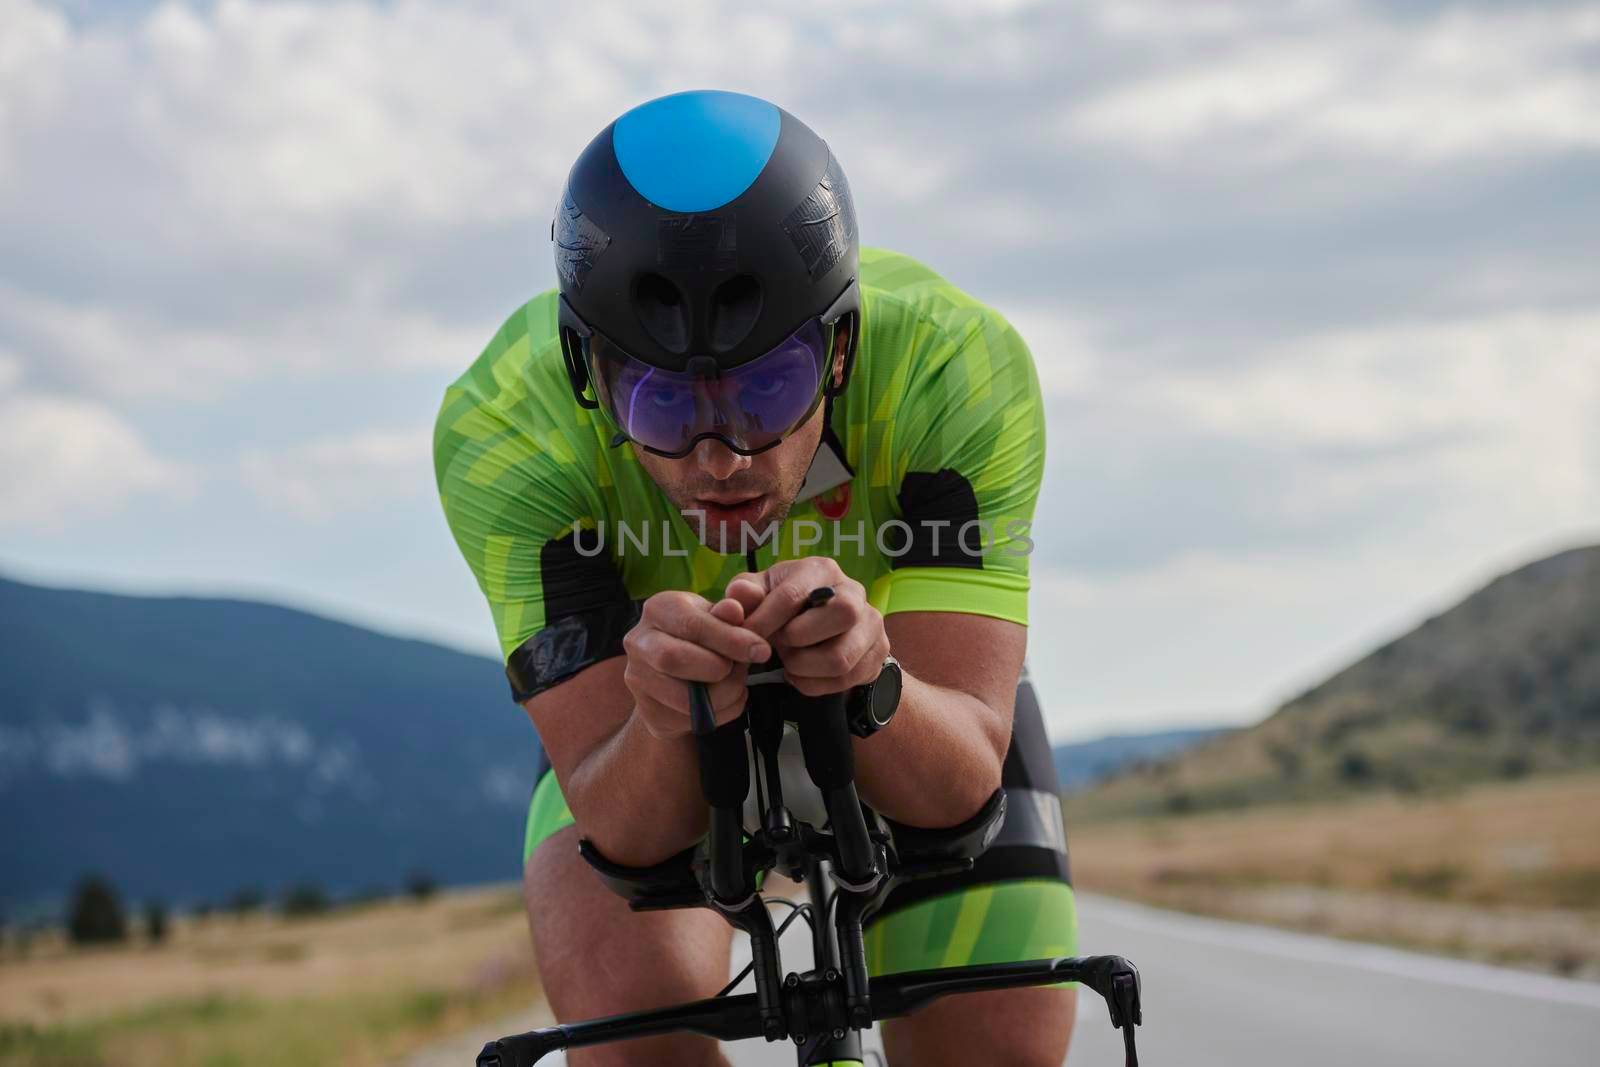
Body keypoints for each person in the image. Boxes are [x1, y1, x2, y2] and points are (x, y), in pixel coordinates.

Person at [434, 90, 1075, 1067]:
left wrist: (873, 680)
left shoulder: (954, 366)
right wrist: (662, 718)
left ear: (843, 347)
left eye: (767, 389)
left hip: (904, 686)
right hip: (643, 710)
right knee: (630, 1030)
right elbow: (619, 823)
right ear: (586, 374)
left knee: (1000, 1045)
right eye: (657, 403)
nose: (719, 453)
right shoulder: (505, 429)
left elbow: (956, 782)